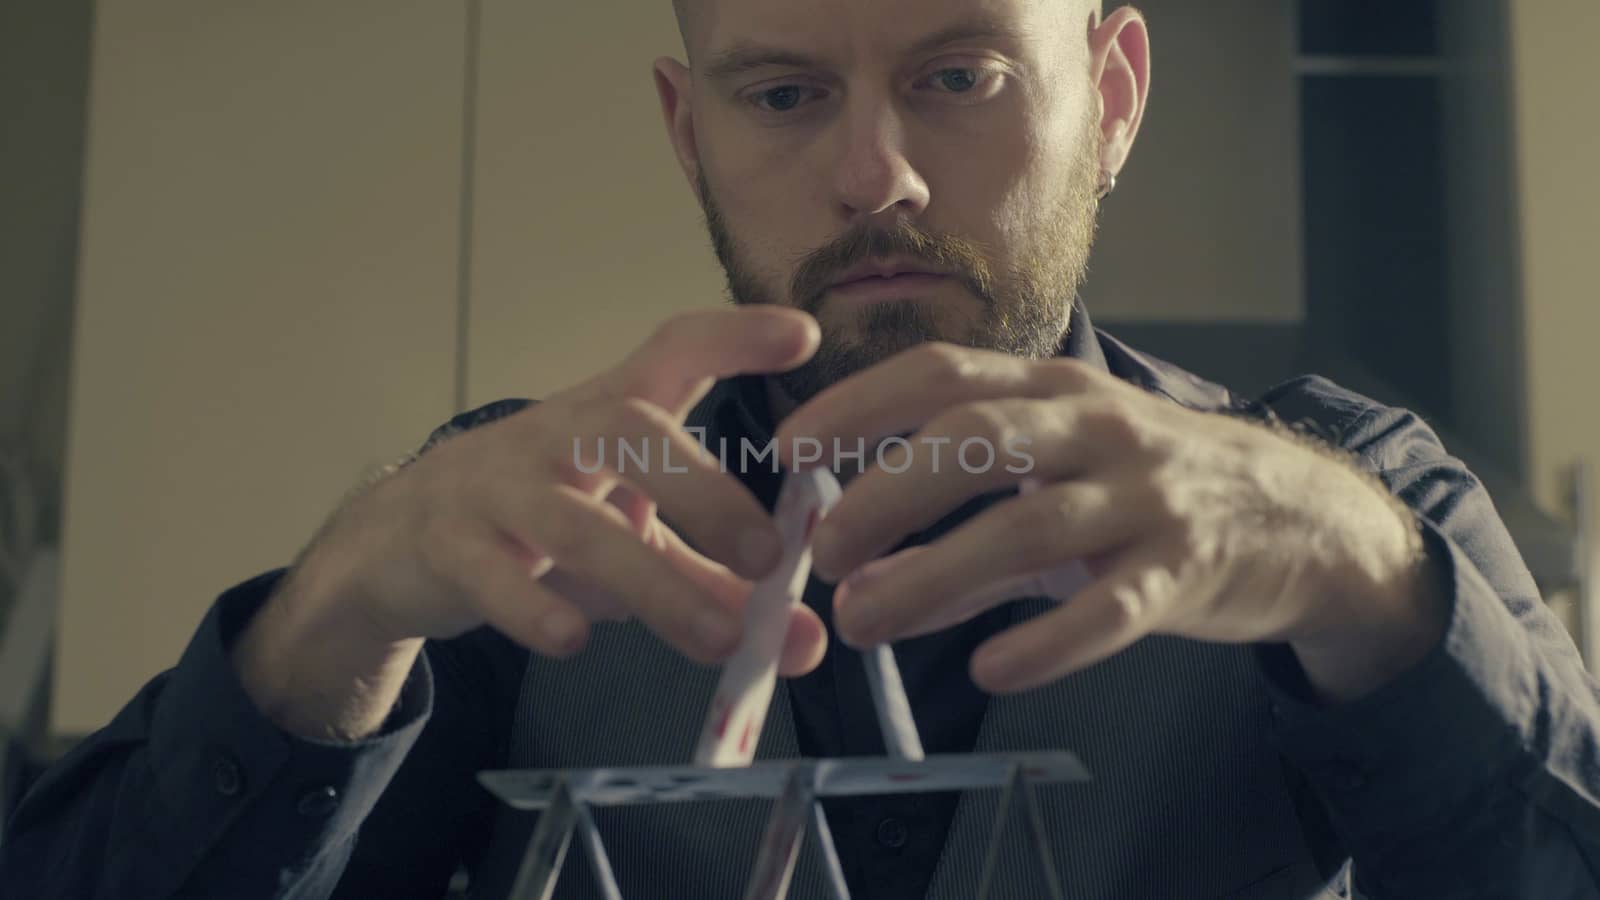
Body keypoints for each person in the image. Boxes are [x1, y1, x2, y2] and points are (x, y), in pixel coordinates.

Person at [5, 1, 1600, 897]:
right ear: (689, 131)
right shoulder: (519, 526)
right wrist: (328, 619)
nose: (870, 175)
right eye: (780, 93)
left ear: (1111, 96)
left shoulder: (1363, 502)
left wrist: (1376, 586)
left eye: (958, 77)